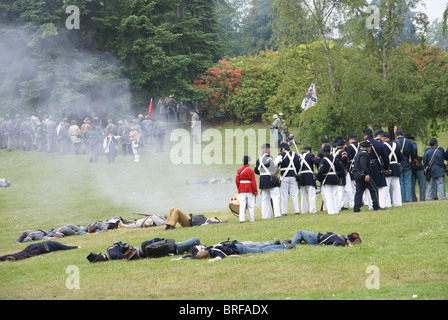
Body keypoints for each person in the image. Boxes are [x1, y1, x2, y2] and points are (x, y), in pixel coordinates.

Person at [87, 237, 201, 262]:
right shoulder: (112, 253)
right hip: (174, 248)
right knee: (195, 240)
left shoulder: (146, 252)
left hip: (172, 250)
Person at [173, 239, 295, 262]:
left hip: (239, 248)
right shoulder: (211, 249)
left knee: (261, 250)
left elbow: (219, 256)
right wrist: (179, 258)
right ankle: (277, 244)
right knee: (260, 248)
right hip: (237, 246)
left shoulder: (213, 251)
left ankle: (282, 246)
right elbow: (192, 256)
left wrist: (213, 261)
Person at [254, 143, 281, 219]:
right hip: (270, 179)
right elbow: (273, 168)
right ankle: (277, 214)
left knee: (265, 199)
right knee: (275, 197)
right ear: (267, 149)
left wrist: (263, 173)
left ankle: (266, 216)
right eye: (269, 148)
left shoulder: (258, 159)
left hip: (262, 179)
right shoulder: (269, 158)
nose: (270, 150)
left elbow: (256, 171)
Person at [364, 128, 389, 209]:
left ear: (366, 135)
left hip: (367, 165)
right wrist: (386, 167)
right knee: (380, 185)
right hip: (378, 165)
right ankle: (381, 204)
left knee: (369, 185)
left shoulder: (363, 144)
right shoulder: (379, 144)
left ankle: (371, 205)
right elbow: (385, 157)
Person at [316, 145, 345, 215]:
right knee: (335, 195)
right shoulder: (335, 159)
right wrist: (338, 175)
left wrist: (320, 179)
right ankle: (336, 210)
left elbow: (321, 171)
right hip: (334, 178)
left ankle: (331, 211)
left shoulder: (323, 160)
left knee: (328, 195)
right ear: (330, 151)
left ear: (324, 152)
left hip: (327, 179)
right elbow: (341, 169)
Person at [353, 140, 381, 212]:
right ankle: (376, 205)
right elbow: (363, 164)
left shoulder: (359, 153)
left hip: (357, 174)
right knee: (374, 189)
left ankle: (356, 208)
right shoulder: (364, 154)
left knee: (359, 192)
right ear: (368, 148)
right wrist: (367, 174)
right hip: (363, 175)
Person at [274, 143, 300, 215]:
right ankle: (296, 211)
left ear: (283, 148)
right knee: (294, 194)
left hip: (284, 177)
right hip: (293, 176)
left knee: (284, 195)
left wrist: (275, 171)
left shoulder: (281, 154)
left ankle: (284, 212)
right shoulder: (295, 154)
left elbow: (275, 163)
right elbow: (298, 165)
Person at [380, 131, 403, 207]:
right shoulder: (396, 145)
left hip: (388, 167)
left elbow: (383, 158)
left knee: (386, 187)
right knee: (396, 187)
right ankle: (398, 203)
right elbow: (400, 157)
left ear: (383, 138)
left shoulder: (383, 146)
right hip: (395, 166)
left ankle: (387, 204)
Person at [1, 241, 79, 262]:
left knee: (20, 252)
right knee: (27, 255)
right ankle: (14, 259)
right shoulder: (57, 244)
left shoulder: (52, 242)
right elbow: (66, 248)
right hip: (40, 249)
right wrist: (77, 247)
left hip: (32, 245)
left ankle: (2, 258)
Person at [235, 156, 258, 222]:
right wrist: (255, 191)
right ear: (248, 162)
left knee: (242, 205)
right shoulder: (250, 171)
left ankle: (241, 219)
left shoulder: (239, 170)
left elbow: (237, 181)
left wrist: (239, 188)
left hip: (241, 189)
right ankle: (251, 219)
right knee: (251, 206)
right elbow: (253, 182)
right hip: (249, 189)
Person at [395, 130, 414, 203]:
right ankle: (408, 198)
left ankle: (402, 198)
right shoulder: (408, 142)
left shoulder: (395, 142)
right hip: (407, 162)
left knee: (401, 182)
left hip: (399, 163)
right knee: (408, 181)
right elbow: (413, 152)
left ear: (396, 135)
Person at [297, 146, 318, 214]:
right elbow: (316, 162)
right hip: (309, 176)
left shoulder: (298, 156)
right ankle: (312, 210)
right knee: (311, 194)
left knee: (303, 195)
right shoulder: (310, 155)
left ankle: (304, 211)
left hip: (301, 177)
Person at [407, 134, 426, 202]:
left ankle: (413, 199)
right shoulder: (413, 144)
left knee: (412, 184)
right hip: (417, 165)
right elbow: (415, 149)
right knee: (422, 183)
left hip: (410, 166)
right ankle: (422, 198)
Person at [292, 230, 363, 246]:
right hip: (317, 238)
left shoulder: (341, 240)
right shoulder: (343, 239)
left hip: (316, 239)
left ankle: (292, 245)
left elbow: (336, 243)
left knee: (300, 232)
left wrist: (347, 245)